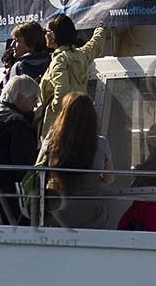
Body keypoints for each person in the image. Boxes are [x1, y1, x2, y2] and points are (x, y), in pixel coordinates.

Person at [35, 91, 113, 229]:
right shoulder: (101, 143)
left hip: (57, 211)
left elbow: (38, 168)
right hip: (91, 213)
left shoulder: (51, 140)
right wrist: (94, 178)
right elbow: (109, 178)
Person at [38, 13, 111, 134]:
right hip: (80, 118)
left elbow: (62, 91)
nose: (44, 35)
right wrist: (101, 28)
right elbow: (95, 45)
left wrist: (54, 112)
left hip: (59, 125)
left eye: (46, 31)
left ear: (53, 35)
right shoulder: (80, 55)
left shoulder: (59, 59)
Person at [0, 74, 40, 224]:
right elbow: (25, 167)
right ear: (20, 98)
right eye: (34, 98)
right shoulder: (18, 126)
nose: (36, 104)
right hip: (14, 195)